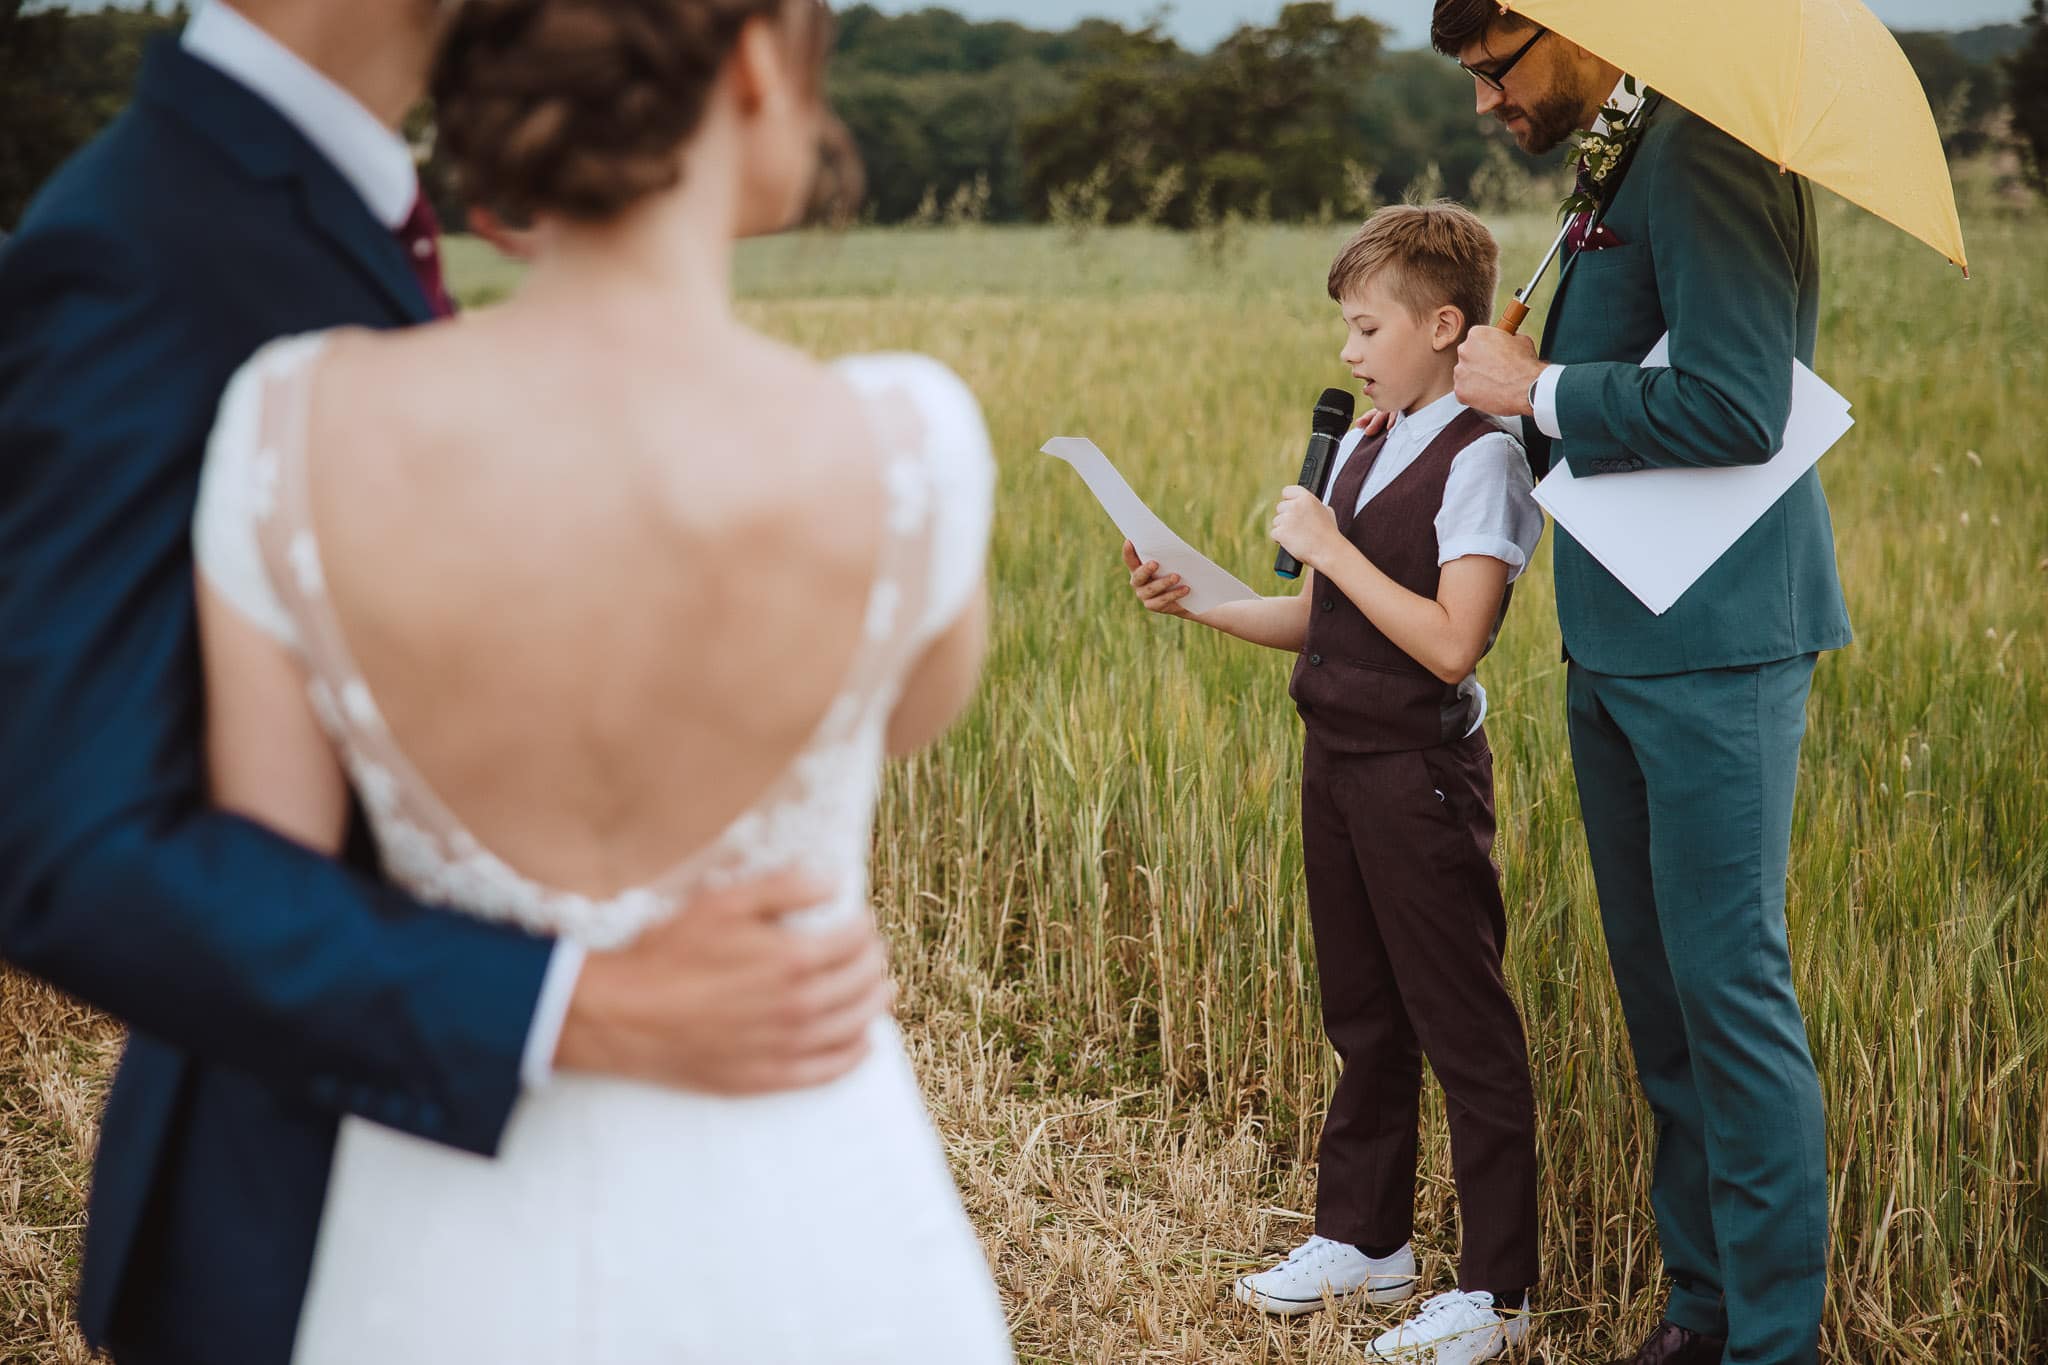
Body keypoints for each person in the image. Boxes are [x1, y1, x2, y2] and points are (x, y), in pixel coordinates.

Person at [0, 1, 898, 1359]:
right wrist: (573, 1003)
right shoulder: (144, 244)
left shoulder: (318, 201)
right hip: (303, 1218)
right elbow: (68, 847)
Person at [1429, 3, 1849, 1362]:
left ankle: (1770, 1344)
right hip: (1612, 630)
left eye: (1495, 69)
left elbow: (1740, 404)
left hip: (1719, 638)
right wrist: (1508, 398)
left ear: (1570, 22)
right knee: (1660, 997)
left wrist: (1541, 388)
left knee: (1729, 990)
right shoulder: (1617, 154)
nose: (1487, 105)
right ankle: (1699, 1309)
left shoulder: (1716, 150)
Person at [1126, 201, 1542, 1364]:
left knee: (1461, 1025)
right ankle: (1365, 1239)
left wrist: (1333, 547)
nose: (1349, 354)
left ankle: (1496, 1290)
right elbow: (1319, 617)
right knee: (1361, 1012)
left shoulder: (1483, 457)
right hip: (1336, 758)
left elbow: (1452, 640)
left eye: (1365, 329)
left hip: (1418, 775)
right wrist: (1197, 598)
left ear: (1445, 324)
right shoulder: (1370, 436)